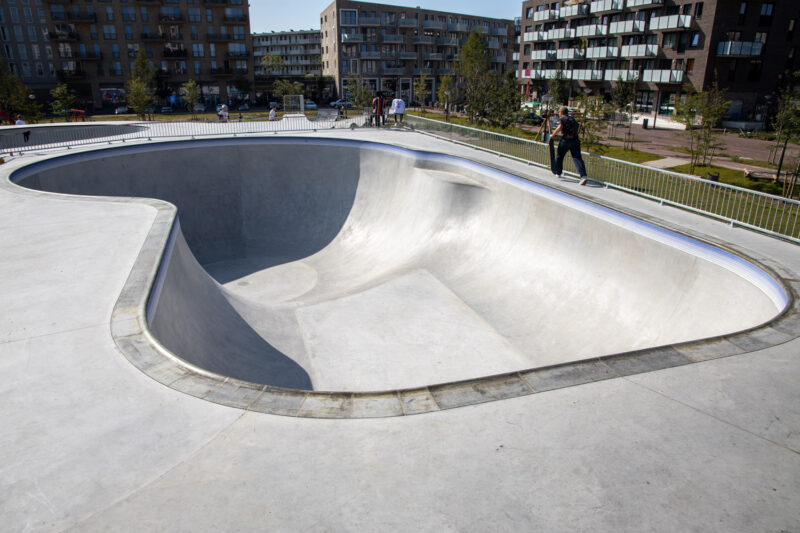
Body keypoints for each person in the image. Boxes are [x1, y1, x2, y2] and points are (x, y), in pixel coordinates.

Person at [551, 106, 589, 186]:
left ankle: (558, 172)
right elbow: (578, 126)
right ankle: (583, 176)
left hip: (565, 140)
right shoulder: (572, 118)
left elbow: (560, 127)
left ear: (561, 112)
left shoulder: (562, 119)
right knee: (577, 157)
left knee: (559, 156)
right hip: (575, 140)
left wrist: (553, 135)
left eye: (559, 112)